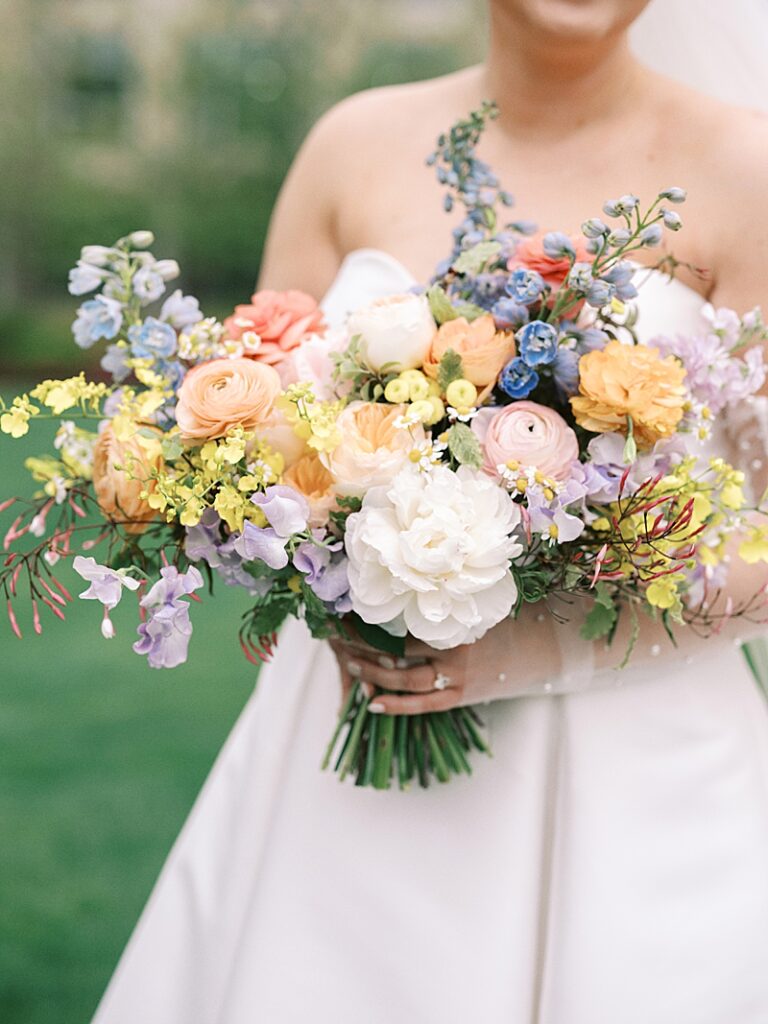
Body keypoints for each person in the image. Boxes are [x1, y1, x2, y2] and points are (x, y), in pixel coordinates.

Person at [93, 1, 768, 1021]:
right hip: (346, 770)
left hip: (640, 787)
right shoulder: (350, 144)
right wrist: (312, 547)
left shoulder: (747, 167)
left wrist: (543, 650)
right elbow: (255, 431)